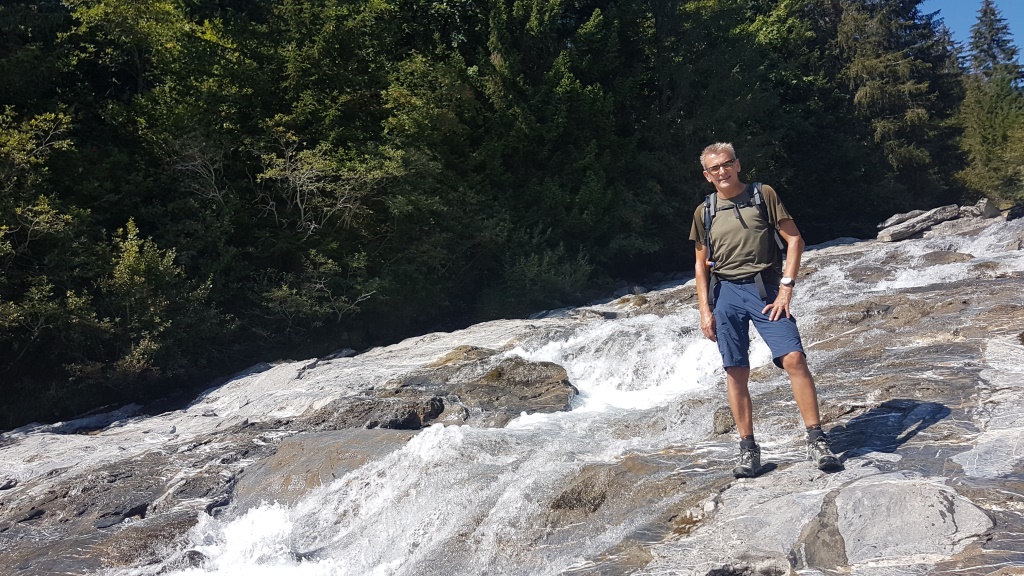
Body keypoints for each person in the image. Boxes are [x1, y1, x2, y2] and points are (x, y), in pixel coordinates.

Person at [689, 142, 840, 478]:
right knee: (735, 370)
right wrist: (704, 310)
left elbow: (795, 240)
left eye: (727, 164)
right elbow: (700, 263)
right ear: (707, 175)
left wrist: (786, 288)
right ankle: (748, 451)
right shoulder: (705, 211)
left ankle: (817, 440)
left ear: (738, 164)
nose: (723, 171)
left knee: (794, 358)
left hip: (765, 289)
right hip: (725, 294)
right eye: (715, 168)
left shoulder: (762, 194)